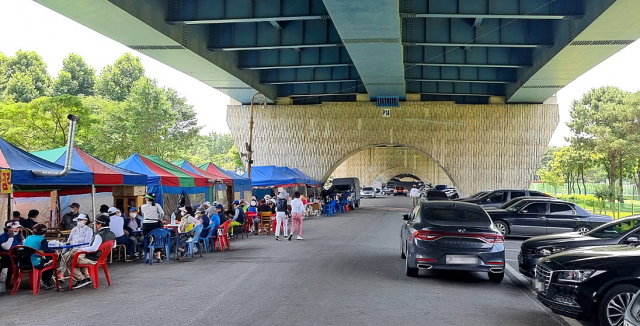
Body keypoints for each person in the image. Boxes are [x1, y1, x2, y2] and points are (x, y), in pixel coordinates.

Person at [70, 214, 116, 289]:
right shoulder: (112, 234)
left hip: (92, 259)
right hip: (101, 258)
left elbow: (94, 248)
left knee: (70, 261)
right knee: (78, 257)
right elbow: (113, 246)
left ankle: (81, 279)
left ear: (100, 224)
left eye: (97, 224)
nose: (96, 226)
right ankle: (86, 278)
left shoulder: (99, 235)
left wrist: (83, 249)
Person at [58, 214, 93, 282]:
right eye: (78, 220)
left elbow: (87, 243)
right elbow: (69, 241)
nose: (79, 221)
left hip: (83, 249)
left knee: (73, 260)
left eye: (81, 220)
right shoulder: (74, 229)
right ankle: (61, 273)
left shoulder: (88, 230)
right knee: (64, 256)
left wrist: (79, 251)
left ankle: (83, 277)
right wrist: (63, 249)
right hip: (73, 248)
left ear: (86, 221)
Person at [23, 223, 57, 289]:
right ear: (45, 231)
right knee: (52, 260)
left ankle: (44, 281)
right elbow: (46, 251)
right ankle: (46, 281)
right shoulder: (42, 239)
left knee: (46, 260)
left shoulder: (28, 237)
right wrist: (54, 251)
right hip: (35, 263)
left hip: (23, 262)